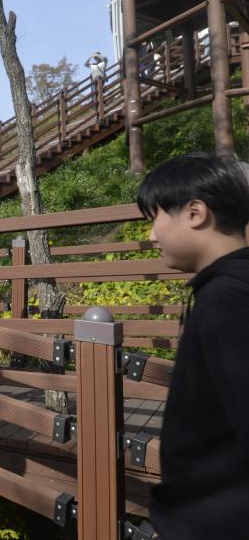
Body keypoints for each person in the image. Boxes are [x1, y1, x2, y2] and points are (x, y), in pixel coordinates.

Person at [137, 153, 249, 538]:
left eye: (155, 217)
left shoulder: (227, 299)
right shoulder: (229, 289)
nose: (152, 235)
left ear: (195, 213)